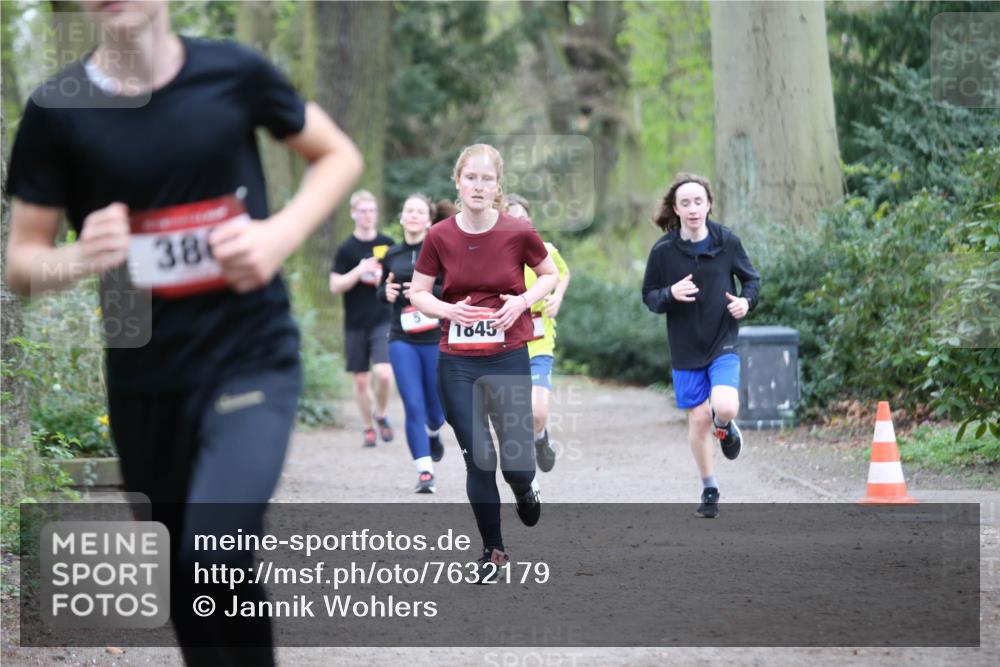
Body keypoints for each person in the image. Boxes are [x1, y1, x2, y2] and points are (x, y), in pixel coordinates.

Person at [4, 1, 362, 664]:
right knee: (181, 572)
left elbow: (338, 155)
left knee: (214, 543)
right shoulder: (58, 110)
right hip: (145, 377)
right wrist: (78, 258)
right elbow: (22, 261)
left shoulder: (234, 72)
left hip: (250, 356)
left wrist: (276, 236)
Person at [408, 144, 559, 583]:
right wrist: (447, 310)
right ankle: (493, 551)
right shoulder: (439, 236)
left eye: (487, 179)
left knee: (514, 462)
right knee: (479, 458)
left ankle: (525, 489)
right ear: (458, 181)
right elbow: (418, 292)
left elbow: (549, 274)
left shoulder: (517, 232)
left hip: (508, 354)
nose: (478, 185)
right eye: (470, 178)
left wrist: (524, 302)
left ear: (498, 186)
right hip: (456, 362)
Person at [641, 173, 760, 519]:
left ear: (708, 205)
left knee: (725, 406)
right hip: (685, 346)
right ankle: (710, 486)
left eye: (698, 202)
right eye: (685, 203)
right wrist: (669, 294)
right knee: (696, 422)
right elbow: (649, 296)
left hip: (722, 338)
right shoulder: (663, 251)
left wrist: (746, 303)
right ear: (675, 209)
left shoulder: (728, 242)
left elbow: (751, 280)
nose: (693, 209)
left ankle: (725, 427)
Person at [376, 194, 447, 493]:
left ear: (429, 219)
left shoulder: (441, 250)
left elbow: (451, 289)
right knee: (412, 404)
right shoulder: (391, 254)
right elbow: (382, 288)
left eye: (420, 211)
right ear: (402, 218)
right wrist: (387, 292)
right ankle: (425, 472)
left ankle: (434, 432)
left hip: (434, 338)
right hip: (402, 337)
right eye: (409, 211)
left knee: (436, 410)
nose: (414, 215)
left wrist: (425, 293)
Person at [505, 194, 571, 472]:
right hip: (506, 344)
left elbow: (562, 273)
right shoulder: (494, 258)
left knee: (538, 412)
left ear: (529, 222)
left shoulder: (544, 250)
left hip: (539, 341)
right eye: (510, 219)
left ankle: (540, 437)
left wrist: (557, 296)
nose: (517, 224)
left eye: (521, 218)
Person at [329, 190, 396, 447]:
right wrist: (359, 270)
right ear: (353, 213)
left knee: (385, 374)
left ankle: (381, 414)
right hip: (355, 322)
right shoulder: (346, 249)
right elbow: (335, 285)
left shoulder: (388, 243)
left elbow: (398, 278)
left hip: (383, 318)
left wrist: (384, 278)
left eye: (372, 210)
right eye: (363, 211)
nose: (368, 215)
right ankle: (368, 427)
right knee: (360, 380)